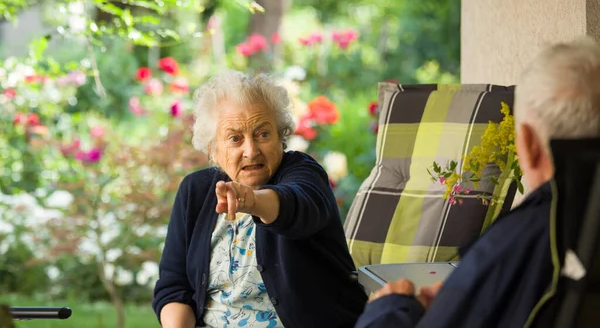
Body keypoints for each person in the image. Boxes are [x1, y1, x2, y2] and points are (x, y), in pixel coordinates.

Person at [355, 36, 600, 328]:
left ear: (529, 144)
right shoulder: (577, 234)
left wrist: (389, 308)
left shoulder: (522, 240)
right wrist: (459, 295)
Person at [152, 71, 367, 328]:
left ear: (281, 137)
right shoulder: (195, 191)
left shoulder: (303, 173)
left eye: (263, 134)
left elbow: (297, 207)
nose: (251, 150)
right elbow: (175, 286)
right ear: (213, 150)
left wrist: (252, 201)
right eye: (235, 138)